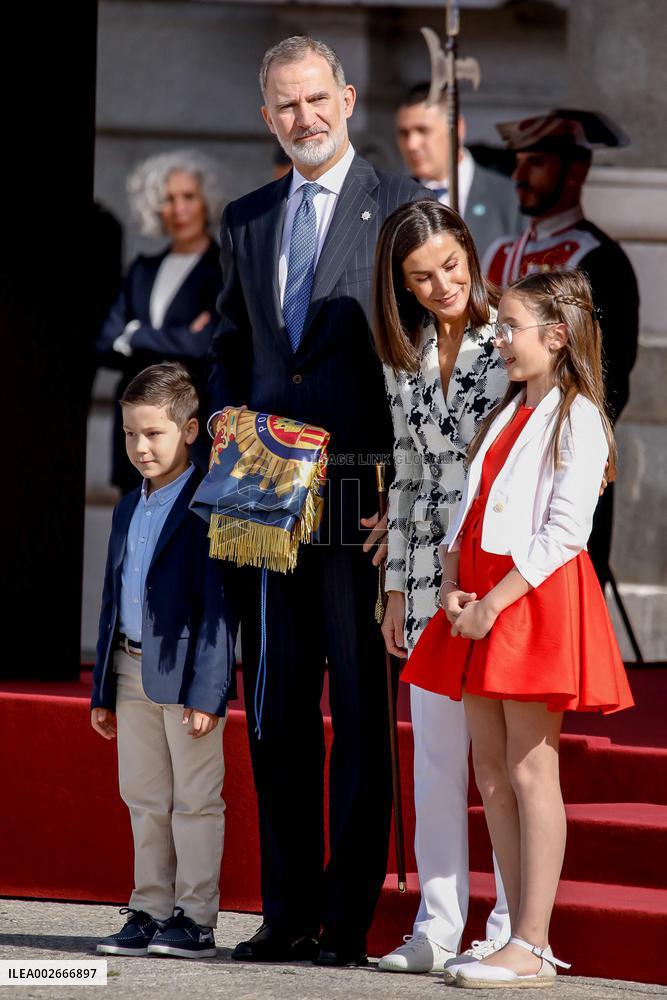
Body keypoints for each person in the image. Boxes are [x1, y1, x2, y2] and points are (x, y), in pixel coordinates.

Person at [207, 35, 428, 967]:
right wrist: (221, 416)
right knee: (276, 709)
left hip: (359, 501)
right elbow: (230, 342)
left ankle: (345, 923)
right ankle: (285, 911)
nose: (304, 118)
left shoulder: (404, 209)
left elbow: (428, 360)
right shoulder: (246, 217)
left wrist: (408, 502)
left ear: (346, 97)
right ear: (267, 117)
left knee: (363, 720)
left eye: (316, 99)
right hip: (262, 499)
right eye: (286, 105)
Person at [402, 269, 634, 988]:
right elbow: (469, 507)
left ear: (556, 336)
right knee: (491, 771)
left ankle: (533, 942)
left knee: (532, 770)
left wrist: (490, 604)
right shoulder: (507, 410)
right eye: (498, 327)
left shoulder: (579, 416)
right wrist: (449, 582)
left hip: (526, 600)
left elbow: (565, 532)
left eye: (510, 328)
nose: (498, 340)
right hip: (478, 601)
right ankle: (509, 933)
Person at [371, 200, 510, 976]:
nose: (442, 285)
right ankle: (437, 926)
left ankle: (512, 926)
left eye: (450, 266)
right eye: (421, 277)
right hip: (426, 581)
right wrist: (395, 589)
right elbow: (405, 475)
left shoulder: (512, 336)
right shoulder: (407, 353)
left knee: (504, 764)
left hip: (495, 574)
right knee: (434, 760)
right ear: (401, 282)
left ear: (469, 251)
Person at [91, 362, 238, 959]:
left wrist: (208, 692)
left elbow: (218, 608)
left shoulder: (209, 503)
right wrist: (102, 689)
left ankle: (196, 919)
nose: (140, 446)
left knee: (196, 800)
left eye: (154, 433)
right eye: (130, 433)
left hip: (185, 678)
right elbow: (113, 598)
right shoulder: (128, 506)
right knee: (144, 798)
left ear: (190, 430)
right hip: (130, 671)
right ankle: (149, 909)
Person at [483, 109, 640, 584]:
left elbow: (608, 373)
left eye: (536, 163)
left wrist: (584, 447)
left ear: (575, 171)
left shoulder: (600, 259)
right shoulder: (499, 253)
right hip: (499, 440)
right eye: (518, 163)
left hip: (560, 449)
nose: (519, 176)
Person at [97, 149, 225, 493]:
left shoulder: (223, 270)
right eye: (168, 199)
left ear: (206, 202)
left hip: (189, 431)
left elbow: (205, 344)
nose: (179, 209)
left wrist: (135, 335)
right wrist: (177, 337)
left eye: (188, 196)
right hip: (135, 433)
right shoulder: (142, 269)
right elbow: (105, 343)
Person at [395, 83, 522, 260]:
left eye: (423, 130)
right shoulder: (393, 201)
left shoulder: (511, 198)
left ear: (457, 128)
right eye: (404, 133)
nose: (412, 144)